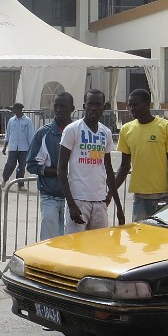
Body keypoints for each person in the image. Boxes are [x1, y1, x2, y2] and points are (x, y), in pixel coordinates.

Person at [58, 89, 123, 232]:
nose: (94, 108)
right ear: (84, 106)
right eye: (90, 104)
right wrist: (71, 204)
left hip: (100, 202)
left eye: (98, 104)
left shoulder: (105, 132)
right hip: (78, 201)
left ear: (104, 107)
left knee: (97, 251)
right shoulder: (72, 130)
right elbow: (61, 169)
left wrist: (117, 205)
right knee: (75, 249)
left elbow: (108, 170)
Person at [115, 87, 168, 222]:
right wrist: (110, 192)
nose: (132, 108)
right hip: (140, 198)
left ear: (147, 105)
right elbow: (124, 166)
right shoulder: (126, 130)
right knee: (139, 239)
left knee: (162, 239)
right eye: (130, 105)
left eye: (135, 105)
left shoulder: (166, 127)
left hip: (163, 196)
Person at [25, 92, 75, 240]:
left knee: (69, 240)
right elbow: (31, 165)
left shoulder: (79, 131)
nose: (59, 109)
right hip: (49, 195)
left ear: (72, 108)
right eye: (56, 106)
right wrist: (57, 172)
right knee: (49, 240)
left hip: (74, 197)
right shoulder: (43, 133)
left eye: (63, 106)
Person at [2, 103, 35, 189]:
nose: (13, 111)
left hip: (24, 148)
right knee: (10, 164)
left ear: (19, 110)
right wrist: (5, 146)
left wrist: (32, 148)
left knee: (21, 166)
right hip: (13, 147)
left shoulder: (27, 121)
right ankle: (5, 179)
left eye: (14, 109)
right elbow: (8, 134)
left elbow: (30, 135)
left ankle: (20, 184)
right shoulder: (11, 120)